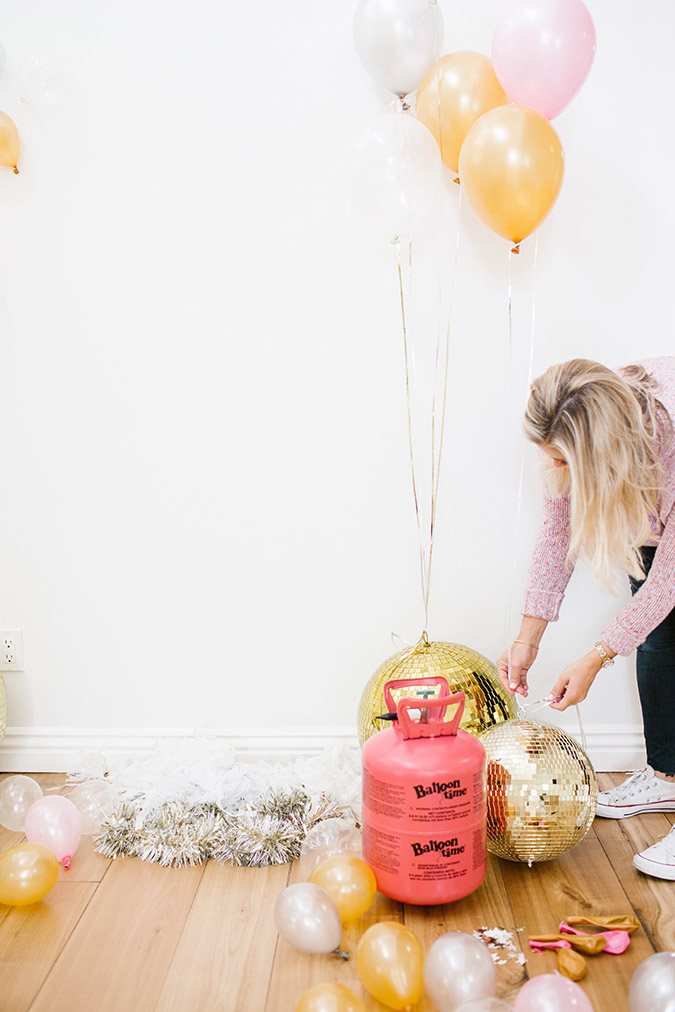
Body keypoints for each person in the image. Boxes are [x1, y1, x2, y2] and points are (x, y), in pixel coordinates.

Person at [497, 356, 675, 880]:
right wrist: (527, 641)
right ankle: (666, 777)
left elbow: (669, 582)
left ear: (600, 457)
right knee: (659, 641)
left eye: (562, 461)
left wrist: (597, 656)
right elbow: (558, 540)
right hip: (652, 522)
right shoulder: (575, 432)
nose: (554, 470)